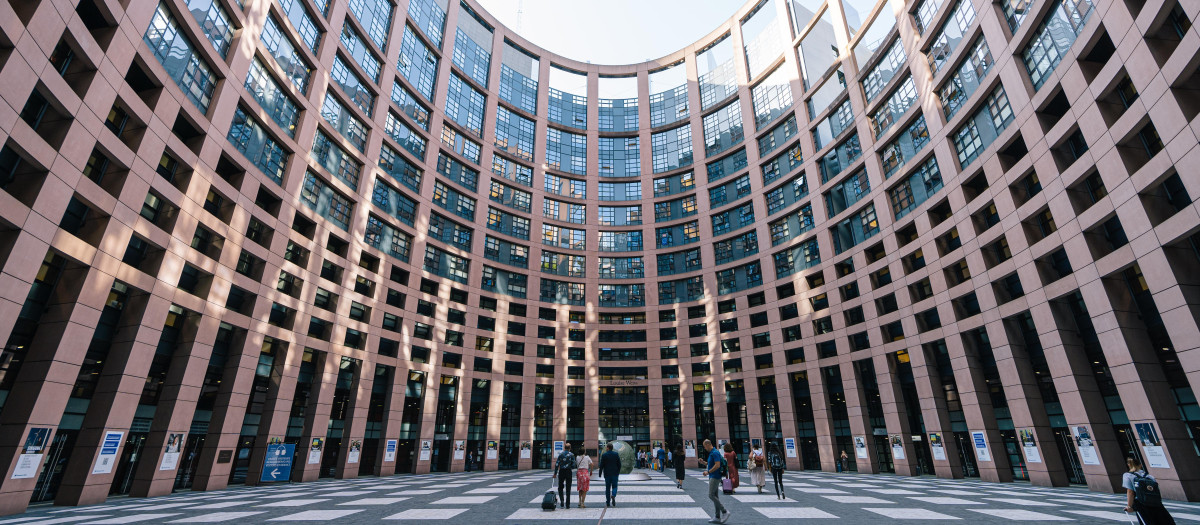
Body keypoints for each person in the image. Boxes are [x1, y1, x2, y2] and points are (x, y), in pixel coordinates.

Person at [1123, 456, 1176, 524]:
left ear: (1129, 465)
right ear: (1140, 465)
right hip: (1156, 504)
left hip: (1141, 504)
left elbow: (1130, 492)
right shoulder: (1149, 476)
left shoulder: (1128, 476)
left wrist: (1129, 506)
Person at [699, 439, 730, 524]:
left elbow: (717, 465)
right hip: (713, 476)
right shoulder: (712, 453)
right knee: (715, 495)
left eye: (704, 446)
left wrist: (708, 472)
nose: (704, 448)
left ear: (708, 444)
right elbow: (710, 465)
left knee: (711, 495)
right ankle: (717, 516)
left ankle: (724, 511)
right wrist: (703, 462)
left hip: (715, 476)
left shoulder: (715, 452)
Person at [554, 443, 577, 509]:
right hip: (568, 471)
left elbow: (557, 463)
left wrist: (555, 473)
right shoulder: (571, 455)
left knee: (560, 487)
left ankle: (562, 501)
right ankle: (567, 504)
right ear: (570, 448)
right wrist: (570, 467)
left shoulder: (560, 454)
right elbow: (574, 464)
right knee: (568, 488)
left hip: (561, 471)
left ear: (564, 447)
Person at [599, 443, 622, 507]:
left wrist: (600, 473)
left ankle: (608, 502)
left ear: (608, 448)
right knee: (615, 486)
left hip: (607, 474)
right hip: (615, 474)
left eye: (606, 447)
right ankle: (613, 495)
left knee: (607, 488)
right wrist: (618, 471)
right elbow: (619, 464)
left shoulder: (604, 455)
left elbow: (601, 465)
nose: (606, 448)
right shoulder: (616, 454)